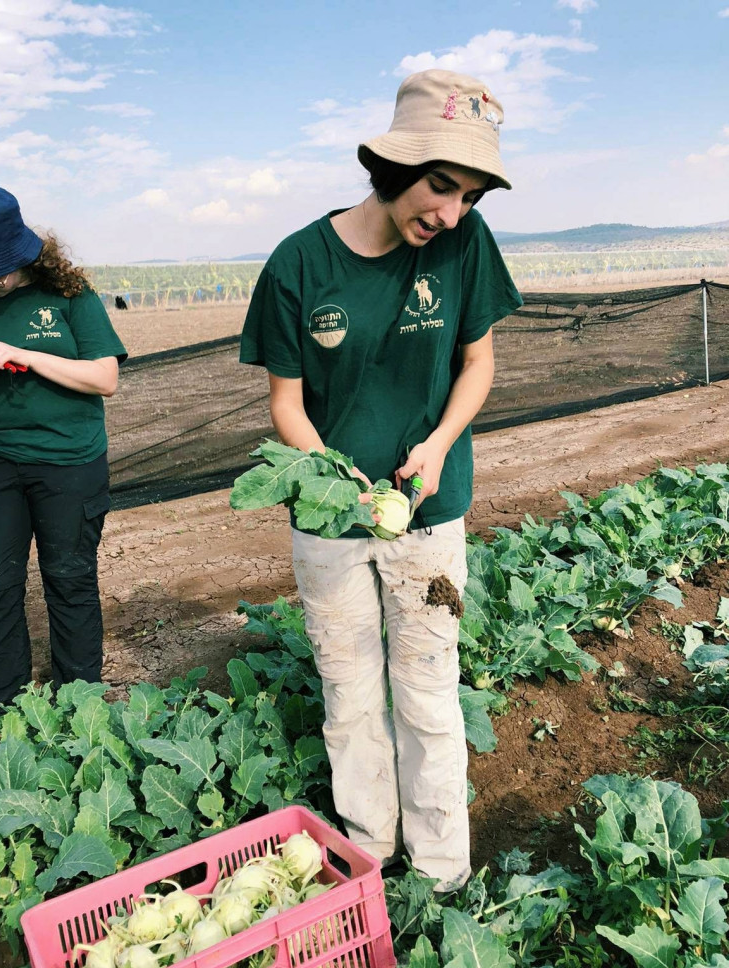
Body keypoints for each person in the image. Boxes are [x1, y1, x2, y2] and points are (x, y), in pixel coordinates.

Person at [239, 70, 523, 891]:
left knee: (429, 695)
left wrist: (437, 444)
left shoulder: (465, 246)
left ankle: (439, 877)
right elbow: (286, 403)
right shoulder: (299, 263)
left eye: (470, 196)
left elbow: (478, 363)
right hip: (330, 526)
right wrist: (338, 483)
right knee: (351, 693)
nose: (452, 213)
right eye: (441, 186)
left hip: (428, 518)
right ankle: (372, 851)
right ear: (394, 168)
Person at [0, 187, 127, 717]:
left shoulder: (69, 293)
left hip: (69, 460)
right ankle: (3, 714)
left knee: (69, 578)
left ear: (24, 254)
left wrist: (26, 355)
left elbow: (105, 378)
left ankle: (79, 707)